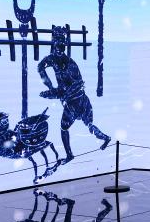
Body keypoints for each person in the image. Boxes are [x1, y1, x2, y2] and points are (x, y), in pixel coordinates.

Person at [39, 26, 110, 161]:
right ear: (54, 45)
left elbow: (75, 86)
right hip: (79, 100)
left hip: (76, 102)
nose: (59, 49)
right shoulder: (53, 60)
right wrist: (49, 86)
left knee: (64, 128)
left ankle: (69, 155)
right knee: (88, 124)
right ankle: (105, 138)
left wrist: (53, 92)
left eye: (61, 45)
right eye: (57, 45)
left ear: (64, 46)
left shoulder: (70, 64)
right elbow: (40, 67)